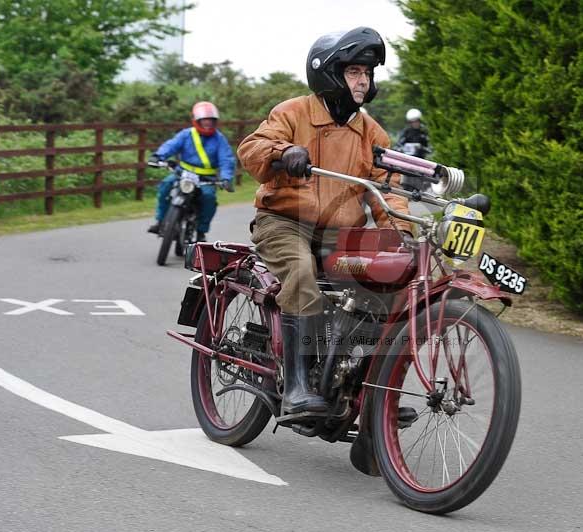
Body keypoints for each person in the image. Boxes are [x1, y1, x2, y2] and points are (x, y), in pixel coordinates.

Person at [237, 27, 412, 415]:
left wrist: (400, 232)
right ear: (329, 72)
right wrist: (285, 151)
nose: (363, 80)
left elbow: (389, 187)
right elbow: (251, 149)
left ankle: (370, 394)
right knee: (300, 274)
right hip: (284, 222)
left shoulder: (370, 131)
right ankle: (297, 387)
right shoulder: (293, 112)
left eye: (367, 73)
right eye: (354, 71)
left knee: (385, 280)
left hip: (340, 234)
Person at [147, 101, 236, 242]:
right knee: (165, 186)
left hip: (206, 179)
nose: (208, 124)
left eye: (211, 121)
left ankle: (201, 231)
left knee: (209, 199)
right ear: (196, 120)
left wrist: (225, 179)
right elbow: (171, 145)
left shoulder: (219, 139)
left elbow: (226, 160)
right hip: (182, 173)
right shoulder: (186, 134)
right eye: (205, 121)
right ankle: (160, 222)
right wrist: (158, 156)